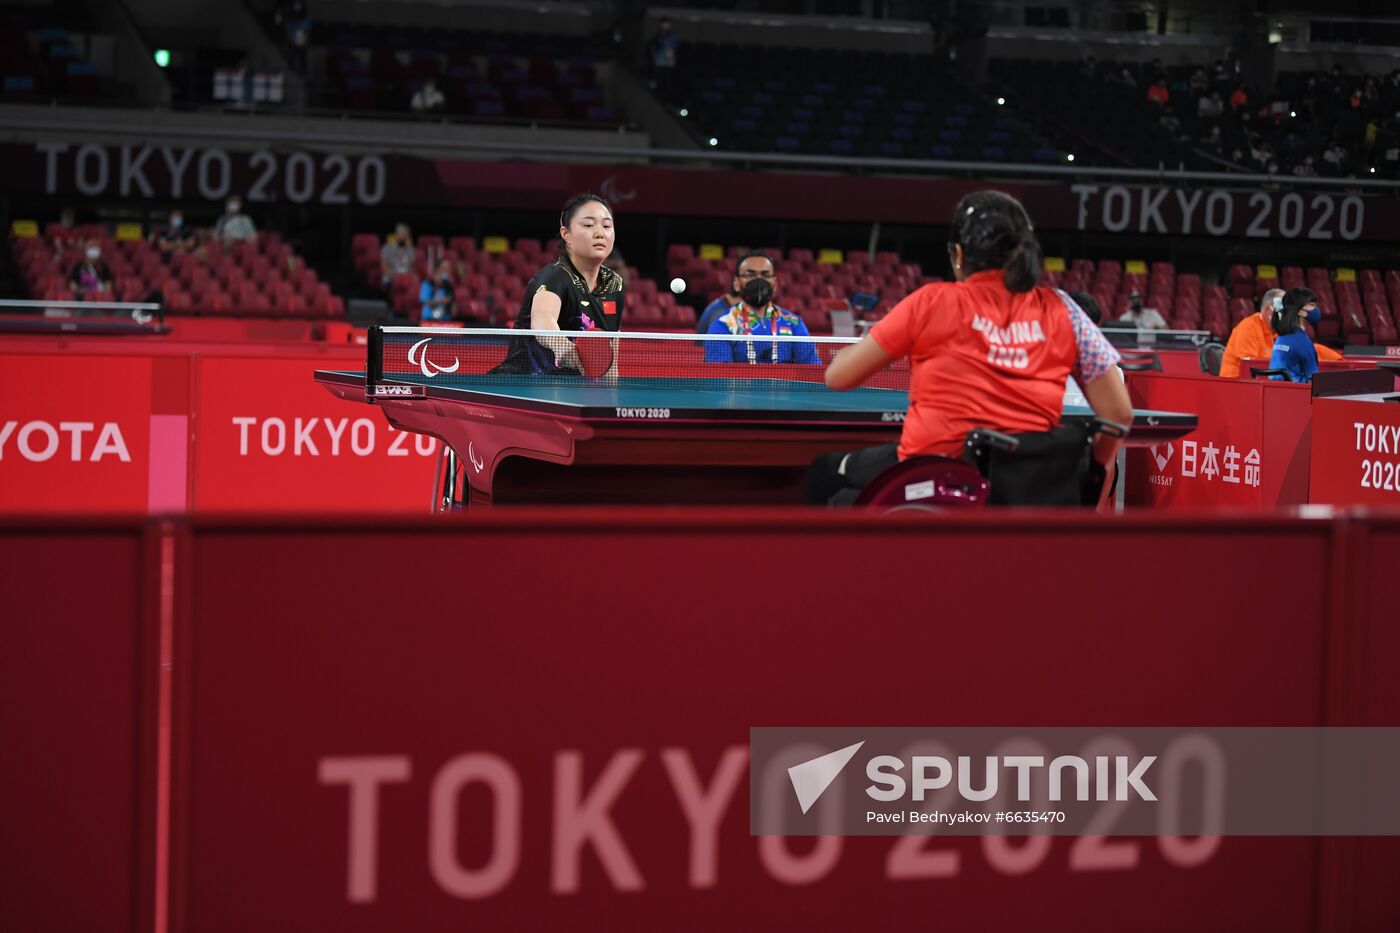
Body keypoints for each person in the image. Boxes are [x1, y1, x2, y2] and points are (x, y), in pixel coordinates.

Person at [806, 190, 1132, 505]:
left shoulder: (931, 301)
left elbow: (838, 377)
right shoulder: (1068, 314)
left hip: (936, 474)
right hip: (1025, 485)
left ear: (959, 255)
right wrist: (1082, 469)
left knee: (825, 473)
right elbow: (1119, 414)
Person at [491, 192, 624, 375]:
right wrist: (567, 350)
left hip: (572, 391)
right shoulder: (555, 276)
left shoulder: (614, 284)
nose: (600, 233)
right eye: (588, 225)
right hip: (525, 385)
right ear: (566, 234)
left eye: (607, 225)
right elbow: (542, 321)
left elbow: (611, 361)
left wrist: (611, 399)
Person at [704, 251, 819, 364]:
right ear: (736, 284)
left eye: (765, 275)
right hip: (739, 383)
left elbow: (812, 368)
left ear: (774, 284)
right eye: (750, 274)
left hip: (784, 383)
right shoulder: (724, 324)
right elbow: (719, 375)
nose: (759, 280)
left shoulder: (793, 323)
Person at [1218, 288, 1341, 378]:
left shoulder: (1280, 332)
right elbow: (1251, 366)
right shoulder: (1247, 327)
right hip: (1236, 388)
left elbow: (1305, 348)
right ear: (1268, 310)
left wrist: (1340, 361)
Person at [1268, 288, 1321, 383]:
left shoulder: (1281, 337)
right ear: (1299, 310)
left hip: (1277, 393)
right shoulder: (1303, 342)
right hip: (1297, 394)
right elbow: (1313, 382)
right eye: (1312, 305)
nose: (1315, 309)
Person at [647, 18, 678, 96]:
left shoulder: (673, 37)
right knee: (658, 80)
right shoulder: (656, 37)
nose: (665, 27)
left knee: (667, 82)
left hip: (669, 63)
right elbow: (652, 49)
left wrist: (673, 57)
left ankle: (666, 97)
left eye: (667, 25)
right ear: (660, 26)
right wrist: (653, 58)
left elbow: (674, 48)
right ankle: (657, 96)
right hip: (659, 62)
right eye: (663, 25)